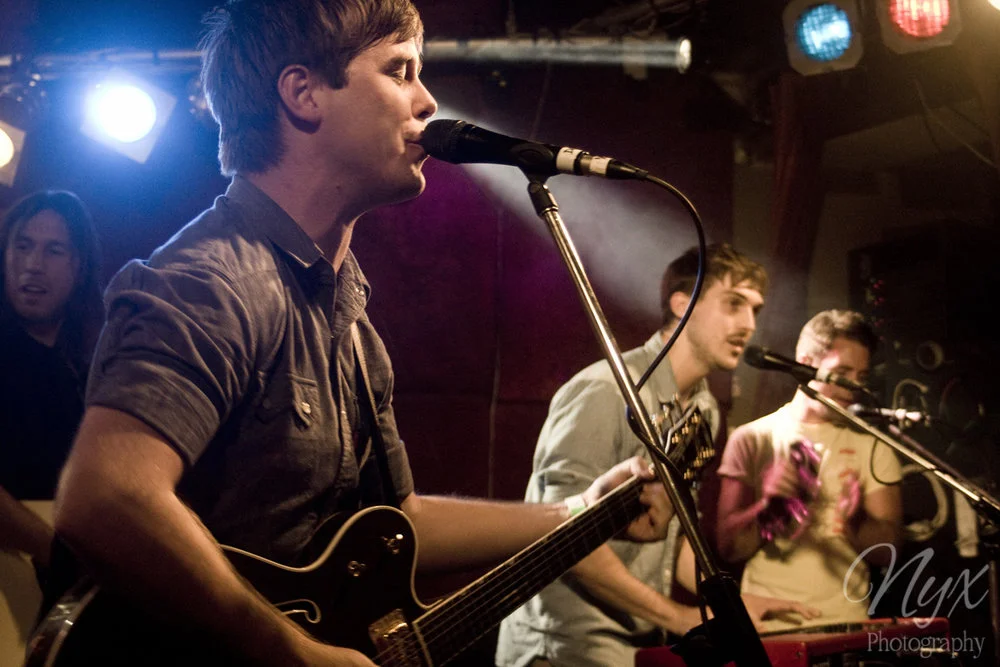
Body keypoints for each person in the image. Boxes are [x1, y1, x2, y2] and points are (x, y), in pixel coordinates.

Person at [47, 2, 673, 665]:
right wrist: (289, 649)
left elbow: (399, 521)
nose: (428, 101)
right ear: (304, 93)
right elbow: (107, 497)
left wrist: (577, 510)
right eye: (400, 71)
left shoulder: (351, 322)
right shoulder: (212, 280)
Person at [496, 244, 818, 667]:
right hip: (562, 645)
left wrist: (733, 608)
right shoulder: (605, 391)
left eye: (755, 310)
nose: (748, 324)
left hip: (635, 644)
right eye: (734, 304)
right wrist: (679, 616)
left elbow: (675, 537)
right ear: (682, 305)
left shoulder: (704, 411)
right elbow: (561, 538)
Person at [715, 309, 903, 632]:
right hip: (768, 630)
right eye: (841, 372)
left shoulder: (873, 446)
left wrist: (855, 520)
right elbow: (728, 549)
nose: (851, 387)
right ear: (804, 362)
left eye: (861, 377)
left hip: (846, 627)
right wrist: (769, 506)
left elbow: (889, 553)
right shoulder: (752, 438)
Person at [0, 190, 103, 661]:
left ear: (79, 268)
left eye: (53, 250)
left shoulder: (89, 370)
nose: (33, 264)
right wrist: (59, 555)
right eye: (22, 246)